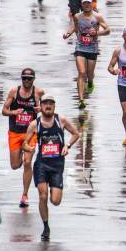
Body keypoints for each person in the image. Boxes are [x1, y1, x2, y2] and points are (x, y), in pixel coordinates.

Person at [23, 95, 80, 241]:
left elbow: (76, 134)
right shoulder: (34, 124)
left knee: (55, 201)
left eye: (51, 104)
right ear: (41, 107)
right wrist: (29, 148)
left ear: (54, 106)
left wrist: (67, 146)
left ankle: (53, 190)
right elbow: (24, 143)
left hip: (57, 165)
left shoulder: (61, 120)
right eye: (45, 104)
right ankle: (46, 227)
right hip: (41, 164)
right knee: (43, 196)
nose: (48, 106)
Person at [1, 68, 45, 208]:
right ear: (21, 79)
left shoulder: (38, 93)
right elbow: (3, 111)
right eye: (24, 78)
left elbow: (48, 109)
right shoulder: (14, 92)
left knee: (27, 162)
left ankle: (24, 195)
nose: (26, 81)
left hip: (30, 133)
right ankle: (20, 150)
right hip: (14, 132)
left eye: (29, 78)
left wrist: (41, 109)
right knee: (15, 165)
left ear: (33, 79)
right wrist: (14, 112)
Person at [63, 0, 110, 109]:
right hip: (80, 47)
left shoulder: (97, 17)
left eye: (89, 3)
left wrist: (97, 33)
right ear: (82, 5)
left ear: (91, 4)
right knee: (81, 72)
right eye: (84, 3)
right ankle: (81, 100)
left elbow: (108, 30)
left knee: (89, 74)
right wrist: (68, 33)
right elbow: (74, 27)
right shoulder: (77, 16)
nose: (87, 5)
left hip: (92, 49)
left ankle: (90, 81)